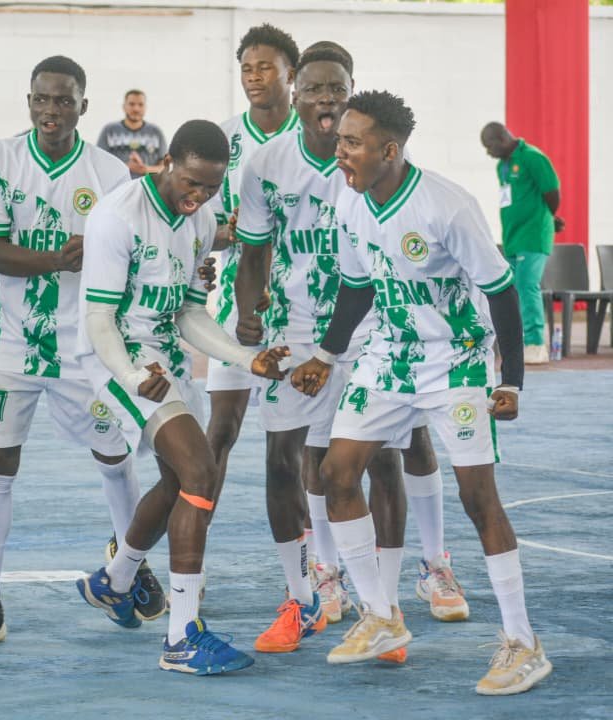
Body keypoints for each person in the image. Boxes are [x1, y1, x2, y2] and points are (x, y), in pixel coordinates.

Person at [290, 90, 552, 696]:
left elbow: (502, 291)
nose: (340, 153)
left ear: (390, 149)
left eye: (352, 143)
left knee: (477, 496)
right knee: (336, 471)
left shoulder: (447, 206)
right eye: (338, 142)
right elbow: (356, 289)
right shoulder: (350, 202)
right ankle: (380, 616)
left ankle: (523, 642)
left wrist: (509, 378)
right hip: (391, 355)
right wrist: (327, 356)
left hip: (456, 360)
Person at [234, 43, 461, 660]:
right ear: (295, 95)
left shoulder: (368, 156)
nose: (326, 100)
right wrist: (249, 314)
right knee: (290, 458)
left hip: (366, 327)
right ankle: (308, 590)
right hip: (293, 329)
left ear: (352, 90)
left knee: (384, 456)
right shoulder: (265, 164)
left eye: (338, 88)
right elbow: (253, 251)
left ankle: (386, 603)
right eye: (314, 88)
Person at [0, 56, 163, 652]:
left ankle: (130, 566)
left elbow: (129, 258)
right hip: (11, 344)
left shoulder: (110, 171)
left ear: (83, 107)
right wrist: (62, 259)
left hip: (85, 348)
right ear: (29, 101)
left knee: (114, 458)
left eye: (63, 101)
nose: (51, 110)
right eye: (41, 99)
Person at [75, 120, 288, 675]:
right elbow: (98, 318)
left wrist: (246, 359)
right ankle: (181, 636)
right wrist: (128, 372)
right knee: (199, 470)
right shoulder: (116, 217)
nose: (199, 198)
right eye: (191, 183)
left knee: (178, 481)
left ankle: (115, 581)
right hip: (114, 356)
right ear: (167, 161)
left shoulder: (204, 219)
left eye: (212, 189)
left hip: (165, 355)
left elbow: (191, 312)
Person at [204, 23, 299, 551]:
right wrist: (231, 230)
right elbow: (203, 226)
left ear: (291, 74)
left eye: (265, 67)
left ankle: (317, 572)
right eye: (246, 68)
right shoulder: (224, 137)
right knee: (219, 432)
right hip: (236, 309)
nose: (254, 77)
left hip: (301, 306)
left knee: (293, 448)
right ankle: (194, 550)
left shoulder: (313, 139)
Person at [480, 122, 563, 365]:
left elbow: (552, 193)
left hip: (533, 235)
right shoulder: (502, 166)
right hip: (512, 237)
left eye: (489, 146)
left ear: (502, 138)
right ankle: (517, 343)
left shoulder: (532, 157)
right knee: (511, 290)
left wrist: (545, 219)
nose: (488, 152)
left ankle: (536, 344)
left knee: (527, 285)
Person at [97, 90, 167, 177]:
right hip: (118, 187)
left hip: (147, 187)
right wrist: (125, 167)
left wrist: (145, 169)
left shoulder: (156, 132)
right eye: (131, 104)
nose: (136, 109)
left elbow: (165, 166)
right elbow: (99, 161)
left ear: (145, 107)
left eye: (140, 105)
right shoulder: (109, 131)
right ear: (124, 107)